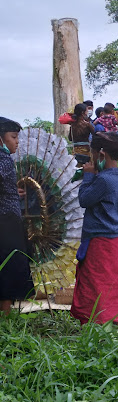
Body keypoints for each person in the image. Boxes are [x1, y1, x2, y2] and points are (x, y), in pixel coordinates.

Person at [70, 132, 118, 325]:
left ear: (101, 155)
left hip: (100, 239)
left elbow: (85, 200)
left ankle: (98, 320)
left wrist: (87, 177)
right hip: (115, 238)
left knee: (96, 282)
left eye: (93, 154)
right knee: (111, 281)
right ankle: (112, 318)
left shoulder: (103, 180)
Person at [0, 117, 35, 315]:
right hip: (7, 221)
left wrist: (10, 191)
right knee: (10, 264)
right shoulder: (3, 159)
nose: (17, 141)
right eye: (13, 137)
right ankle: (6, 315)